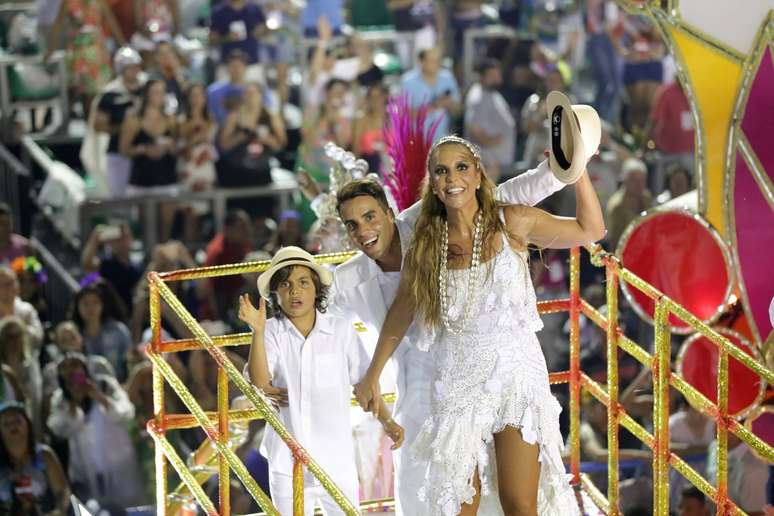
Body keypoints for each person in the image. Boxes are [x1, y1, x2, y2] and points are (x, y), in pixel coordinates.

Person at [354, 131, 606, 515]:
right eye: (441, 171)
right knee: (458, 505)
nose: (452, 178)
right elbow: (403, 307)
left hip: (516, 374)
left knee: (520, 505)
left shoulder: (512, 221)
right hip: (458, 379)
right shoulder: (425, 241)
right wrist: (373, 372)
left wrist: (578, 170)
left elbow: (591, 230)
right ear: (433, 184)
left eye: (460, 168)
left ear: (476, 175)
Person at [312, 156, 566, 512]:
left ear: (389, 213)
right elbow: (321, 323)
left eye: (370, 217)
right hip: (418, 400)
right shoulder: (348, 279)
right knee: (426, 497)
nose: (364, 231)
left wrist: (558, 171)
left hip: (476, 379)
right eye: (352, 225)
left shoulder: (425, 220)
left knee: (507, 493)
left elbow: (503, 195)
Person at [239, 247, 404, 515]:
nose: (295, 291)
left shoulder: (340, 330)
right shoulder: (271, 331)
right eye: (286, 284)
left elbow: (364, 383)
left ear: (316, 289)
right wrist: (257, 331)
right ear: (275, 294)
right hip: (287, 459)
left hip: (335, 459)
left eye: (303, 282)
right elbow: (259, 382)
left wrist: (387, 420)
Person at [47, 352, 143, 509]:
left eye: (75, 365)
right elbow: (59, 429)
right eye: (65, 367)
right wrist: (74, 402)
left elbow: (126, 412)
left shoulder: (105, 385)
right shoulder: (60, 400)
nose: (71, 370)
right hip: (86, 470)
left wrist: (98, 396)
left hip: (119, 464)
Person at [45, 0, 126, 117]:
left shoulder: (99, 2)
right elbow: (57, 25)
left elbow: (110, 21)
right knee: (84, 93)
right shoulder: (69, 2)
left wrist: (122, 44)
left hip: (97, 53)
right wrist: (50, 49)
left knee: (99, 91)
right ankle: (84, 122)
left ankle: (95, 124)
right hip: (79, 53)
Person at [0, 401, 70, 515]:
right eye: (6, 424)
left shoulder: (44, 455)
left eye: (17, 421)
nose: (13, 426)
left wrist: (59, 511)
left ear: (28, 424)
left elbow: (63, 492)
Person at [95, 46, 146, 198]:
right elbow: (98, 124)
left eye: (137, 66)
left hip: (143, 151)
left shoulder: (147, 89)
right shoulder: (110, 94)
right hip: (118, 152)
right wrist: (125, 129)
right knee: (120, 197)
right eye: (130, 67)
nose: (135, 71)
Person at [70, 280, 133, 382]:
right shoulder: (73, 334)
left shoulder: (118, 330)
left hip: (119, 387)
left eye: (95, 302)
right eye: (85, 303)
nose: (91, 308)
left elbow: (130, 362)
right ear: (77, 306)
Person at [464, 59, 516, 182]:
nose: (497, 80)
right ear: (481, 77)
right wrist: (492, 144)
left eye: (498, 75)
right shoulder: (477, 98)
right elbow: (475, 130)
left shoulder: (492, 94)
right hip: (489, 167)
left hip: (499, 166)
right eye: (492, 76)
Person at [80, 222, 142, 316]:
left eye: (125, 237)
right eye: (118, 239)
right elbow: (86, 264)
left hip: (132, 315)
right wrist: (95, 238)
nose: (122, 242)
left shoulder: (137, 266)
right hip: (111, 316)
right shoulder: (107, 264)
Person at [400, 47, 461, 142]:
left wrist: (449, 103)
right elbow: (404, 114)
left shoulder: (447, 77)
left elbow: (458, 109)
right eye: (432, 61)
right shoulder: (408, 82)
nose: (437, 65)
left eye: (438, 60)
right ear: (421, 62)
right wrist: (434, 105)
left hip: (442, 139)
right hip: (416, 141)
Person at [606, 157, 652, 250]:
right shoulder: (617, 206)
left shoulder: (646, 198)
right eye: (634, 180)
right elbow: (614, 242)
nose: (639, 185)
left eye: (642, 180)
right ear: (625, 180)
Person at [0, 266, 44, 351]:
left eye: (10, 283)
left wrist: (19, 326)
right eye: (2, 284)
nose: (7, 288)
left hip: (26, 360)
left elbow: (38, 338)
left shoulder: (27, 309)